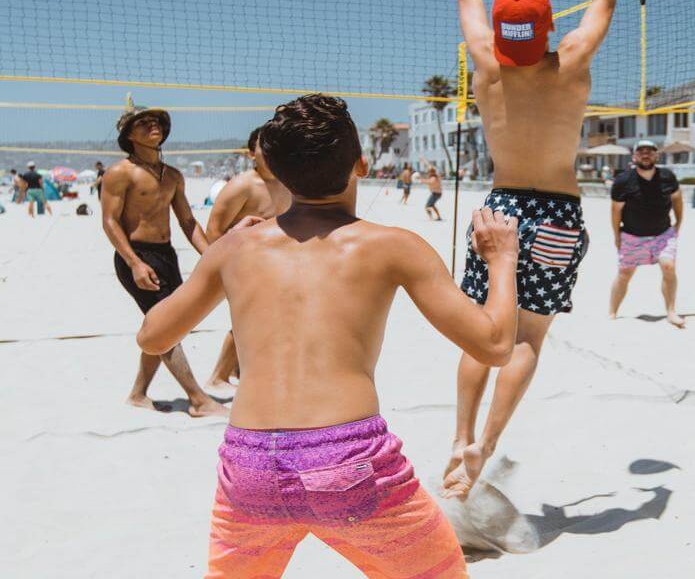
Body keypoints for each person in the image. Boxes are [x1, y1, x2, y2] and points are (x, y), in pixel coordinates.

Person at [137, 94, 520, 578]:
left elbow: (152, 337)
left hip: (250, 465)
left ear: (276, 172)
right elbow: (494, 345)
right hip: (347, 459)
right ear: (361, 164)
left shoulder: (236, 248)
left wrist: (224, 254)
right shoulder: (394, 245)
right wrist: (502, 259)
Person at [444, 0, 615, 500]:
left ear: (501, 31)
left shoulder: (486, 62)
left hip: (502, 208)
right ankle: (485, 446)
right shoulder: (570, 61)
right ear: (546, 29)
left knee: (482, 331)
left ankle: (459, 435)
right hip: (558, 213)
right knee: (527, 337)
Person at [101, 106, 226, 417]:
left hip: (166, 256)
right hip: (136, 255)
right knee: (166, 326)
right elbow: (110, 221)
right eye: (143, 123)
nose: (152, 125)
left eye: (155, 121)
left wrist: (213, 255)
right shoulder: (120, 173)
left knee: (164, 325)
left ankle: (138, 393)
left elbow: (187, 221)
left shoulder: (172, 175)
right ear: (129, 135)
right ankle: (197, 399)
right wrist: (134, 263)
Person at [204, 127, 292, 394]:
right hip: (244, 264)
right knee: (248, 320)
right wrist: (227, 265)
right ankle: (218, 376)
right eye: (265, 146)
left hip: (276, 263)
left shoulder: (286, 183)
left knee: (268, 320)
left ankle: (237, 372)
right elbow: (214, 231)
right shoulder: (242, 185)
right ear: (251, 153)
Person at [609, 140, 685, 327]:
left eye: (650, 151)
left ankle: (671, 311)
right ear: (634, 156)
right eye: (641, 151)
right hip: (632, 235)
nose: (645, 154)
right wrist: (617, 236)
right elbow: (615, 211)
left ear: (656, 155)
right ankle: (612, 312)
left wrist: (679, 223)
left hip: (663, 234)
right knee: (624, 273)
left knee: (669, 267)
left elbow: (677, 199)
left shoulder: (667, 176)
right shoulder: (623, 181)